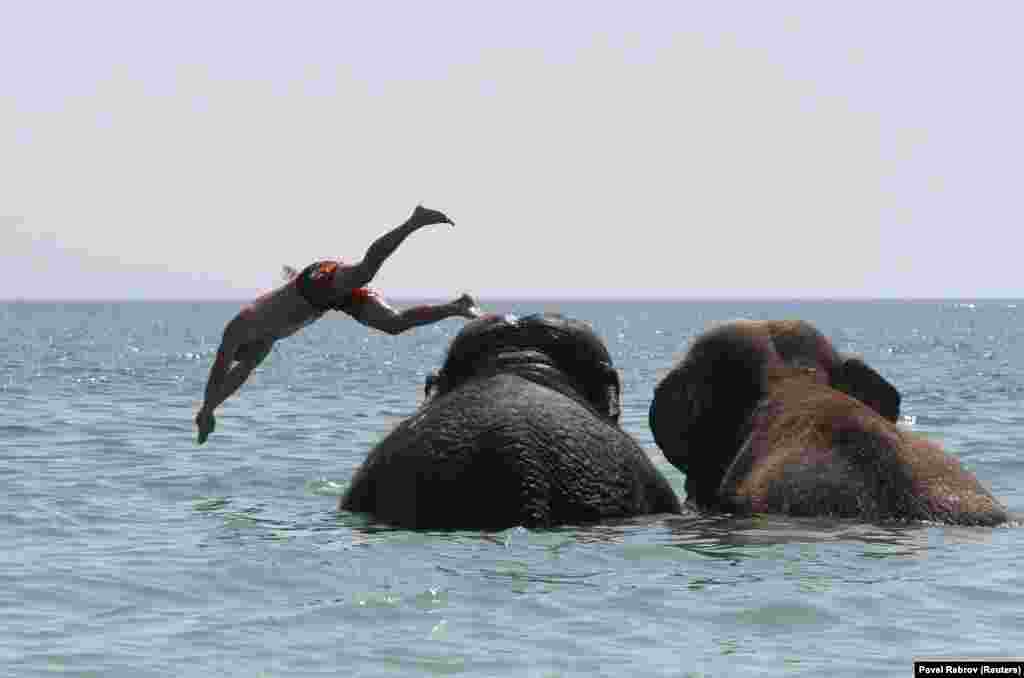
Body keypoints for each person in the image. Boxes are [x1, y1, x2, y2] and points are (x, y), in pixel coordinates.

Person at [195, 205, 482, 444]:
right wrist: (211, 411)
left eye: (241, 356)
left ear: (240, 348)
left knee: (363, 272)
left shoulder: (240, 326)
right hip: (325, 301)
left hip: (311, 284)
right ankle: (458, 306)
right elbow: (235, 376)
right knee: (392, 324)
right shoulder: (262, 345)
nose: (245, 359)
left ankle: (415, 220)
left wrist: (206, 409)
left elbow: (220, 370)